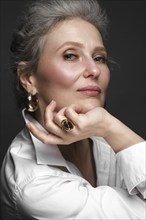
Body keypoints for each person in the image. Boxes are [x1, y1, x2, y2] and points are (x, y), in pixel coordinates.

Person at [1, 0, 145, 219]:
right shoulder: (34, 185)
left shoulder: (102, 137)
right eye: (70, 55)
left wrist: (109, 127)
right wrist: (110, 128)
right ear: (28, 78)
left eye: (99, 58)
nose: (94, 69)